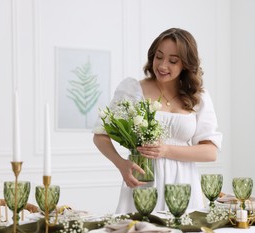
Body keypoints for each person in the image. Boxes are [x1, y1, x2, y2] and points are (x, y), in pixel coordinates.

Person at [93, 28, 222, 214]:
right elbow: (100, 135)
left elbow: (210, 152)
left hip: (183, 187)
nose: (162, 65)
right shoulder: (132, 90)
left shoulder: (198, 97)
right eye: (158, 57)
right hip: (144, 182)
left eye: (172, 61)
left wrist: (166, 150)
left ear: (186, 64)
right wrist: (121, 164)